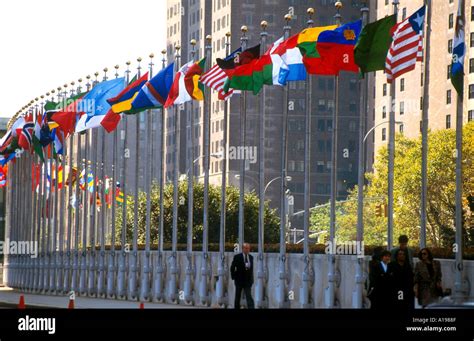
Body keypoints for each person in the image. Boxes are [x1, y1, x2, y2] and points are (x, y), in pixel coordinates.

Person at [230, 243, 255, 309]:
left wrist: (252, 279)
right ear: (243, 249)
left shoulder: (251, 257)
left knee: (249, 296)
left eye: (248, 248)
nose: (247, 250)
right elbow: (232, 267)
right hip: (239, 280)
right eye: (246, 248)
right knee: (237, 296)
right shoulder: (237, 257)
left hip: (248, 281)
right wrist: (234, 277)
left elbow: (251, 269)